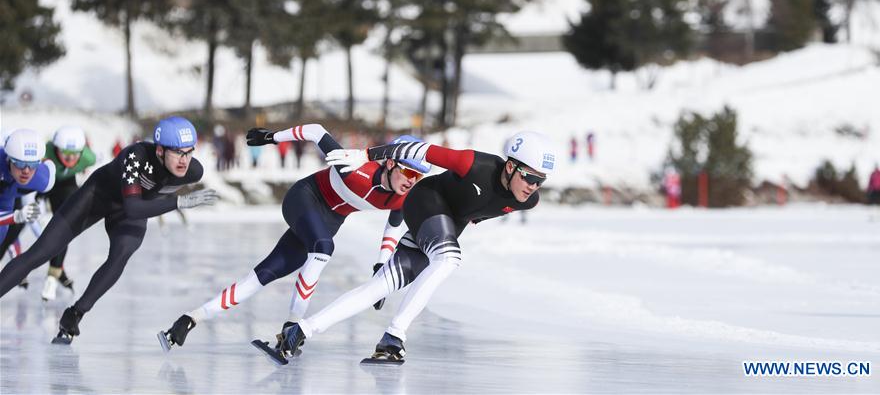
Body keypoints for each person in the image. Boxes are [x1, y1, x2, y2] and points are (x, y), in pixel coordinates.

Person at [258, 130, 557, 364]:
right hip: (424, 201)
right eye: (529, 176)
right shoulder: (473, 163)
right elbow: (414, 150)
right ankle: (393, 338)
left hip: (444, 224)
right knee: (448, 259)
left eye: (540, 181)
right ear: (510, 165)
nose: (532, 186)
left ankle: (299, 332)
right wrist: (365, 155)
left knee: (381, 286)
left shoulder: (526, 201)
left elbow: (477, 208)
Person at [157, 125, 430, 352]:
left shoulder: (404, 196)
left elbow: (394, 224)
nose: (411, 181)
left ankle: (190, 318)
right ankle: (292, 326)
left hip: (328, 221)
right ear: (391, 162)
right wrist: (271, 137)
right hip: (305, 199)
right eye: (408, 172)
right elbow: (315, 131)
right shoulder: (355, 167)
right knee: (324, 247)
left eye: (418, 176)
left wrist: (381, 264)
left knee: (263, 274)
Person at [0, 116, 218, 343]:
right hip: (98, 198)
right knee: (41, 252)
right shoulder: (136, 156)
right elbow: (134, 207)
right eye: (177, 152)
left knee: (121, 255)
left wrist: (170, 200)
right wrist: (179, 202)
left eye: (188, 152)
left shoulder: (193, 171)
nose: (184, 160)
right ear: (160, 150)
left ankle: (74, 314)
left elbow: (142, 203)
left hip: (129, 211)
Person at [38, 126, 97, 300]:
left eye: (74, 154)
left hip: (65, 185)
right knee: (18, 226)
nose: (71, 158)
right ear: (55, 149)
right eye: (65, 153)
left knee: (63, 229)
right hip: (43, 181)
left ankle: (53, 274)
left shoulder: (88, 157)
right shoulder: (45, 153)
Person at [0, 130, 57, 285]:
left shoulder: (43, 180)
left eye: (32, 164)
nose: (26, 171)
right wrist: (16, 216)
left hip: (11, 193)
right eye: (19, 163)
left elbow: (50, 164)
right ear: (8, 159)